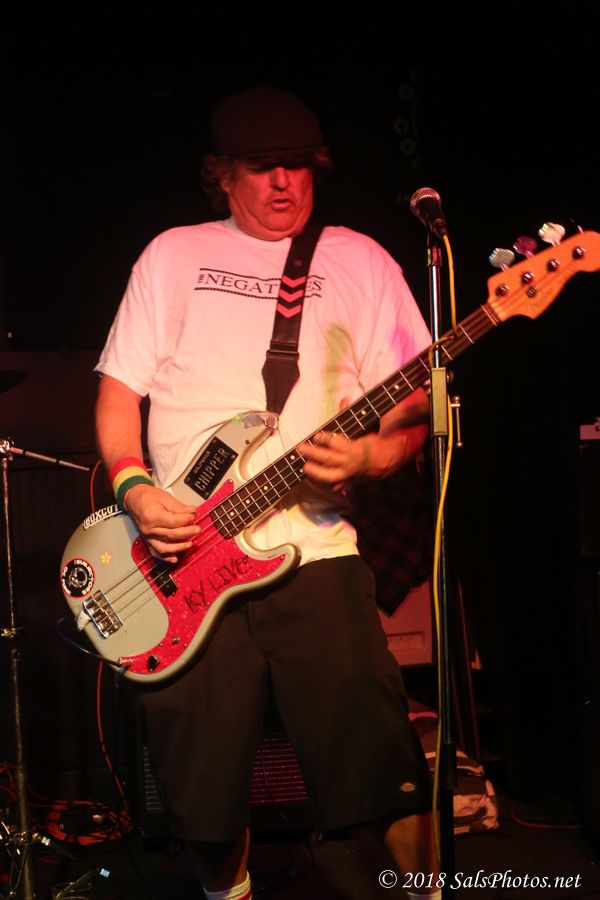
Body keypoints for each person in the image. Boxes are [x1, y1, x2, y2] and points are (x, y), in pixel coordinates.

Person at [95, 87, 439, 900]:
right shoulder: (171, 256)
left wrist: (372, 455)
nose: (283, 182)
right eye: (261, 167)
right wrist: (136, 489)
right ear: (222, 175)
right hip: (181, 556)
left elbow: (415, 412)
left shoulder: (360, 260)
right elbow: (117, 394)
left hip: (314, 550)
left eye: (297, 165)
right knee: (204, 798)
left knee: (381, 767)